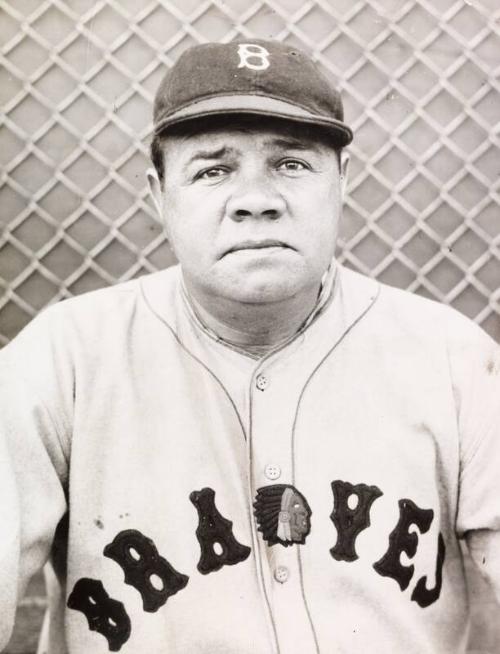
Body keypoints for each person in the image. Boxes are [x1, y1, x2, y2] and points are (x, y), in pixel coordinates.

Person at [0, 39, 499, 654]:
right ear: (159, 194)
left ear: (342, 180)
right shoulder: (63, 360)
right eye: (213, 169)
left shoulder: (452, 359)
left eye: (291, 164)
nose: (256, 200)